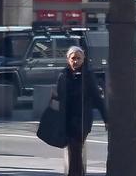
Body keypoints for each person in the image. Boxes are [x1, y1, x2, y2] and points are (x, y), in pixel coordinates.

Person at [57, 45, 107, 176]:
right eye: (73, 58)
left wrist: (106, 119)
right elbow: (58, 98)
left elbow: (97, 98)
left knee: (75, 149)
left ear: (83, 59)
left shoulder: (88, 76)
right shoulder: (63, 75)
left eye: (78, 58)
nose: (75, 61)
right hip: (67, 120)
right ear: (68, 59)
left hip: (82, 120)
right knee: (74, 151)